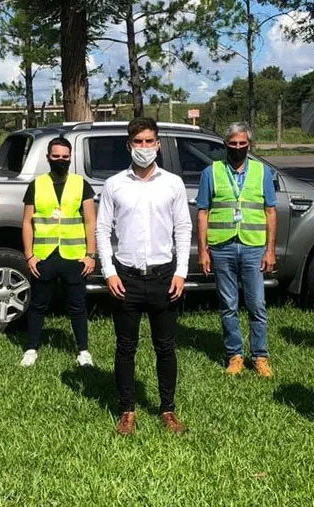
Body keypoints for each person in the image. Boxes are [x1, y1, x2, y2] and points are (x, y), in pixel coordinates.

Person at [96, 117, 192, 435]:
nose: (144, 147)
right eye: (138, 142)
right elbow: (102, 230)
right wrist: (109, 272)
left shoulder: (173, 184)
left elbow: (183, 228)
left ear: (158, 145)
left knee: (165, 347)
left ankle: (167, 409)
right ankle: (127, 410)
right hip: (126, 278)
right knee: (126, 347)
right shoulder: (114, 185)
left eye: (149, 141)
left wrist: (181, 272)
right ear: (129, 145)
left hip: (164, 277)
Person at [195, 122, 276, 378]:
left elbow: (270, 211)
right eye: (233, 144)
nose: (238, 148)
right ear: (225, 145)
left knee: (257, 305)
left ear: (249, 145)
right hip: (222, 246)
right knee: (228, 304)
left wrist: (270, 250)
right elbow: (203, 212)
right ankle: (234, 354)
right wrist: (203, 251)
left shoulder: (262, 172)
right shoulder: (211, 172)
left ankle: (260, 356)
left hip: (253, 246)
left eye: (242, 143)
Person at [20, 137, 97, 367]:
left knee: (77, 305)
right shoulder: (36, 185)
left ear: (70, 158)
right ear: (48, 158)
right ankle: (31, 349)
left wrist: (91, 255)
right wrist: (29, 255)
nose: (61, 160)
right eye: (56, 156)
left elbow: (90, 221)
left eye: (65, 157)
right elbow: (27, 222)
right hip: (44, 255)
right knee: (38, 304)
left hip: (74, 256)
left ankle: (83, 351)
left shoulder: (81, 184)